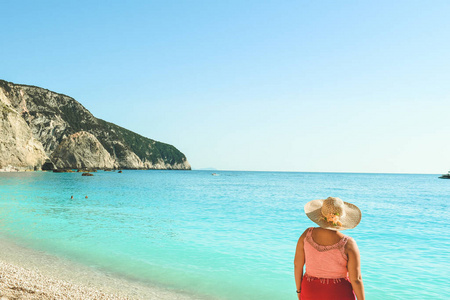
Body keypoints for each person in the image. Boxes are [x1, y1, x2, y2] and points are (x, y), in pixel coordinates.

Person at [294, 197, 365, 300]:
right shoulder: (348, 243)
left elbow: (297, 265)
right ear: (341, 218)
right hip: (339, 293)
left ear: (321, 216)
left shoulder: (307, 234)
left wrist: (299, 290)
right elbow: (356, 279)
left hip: (310, 290)